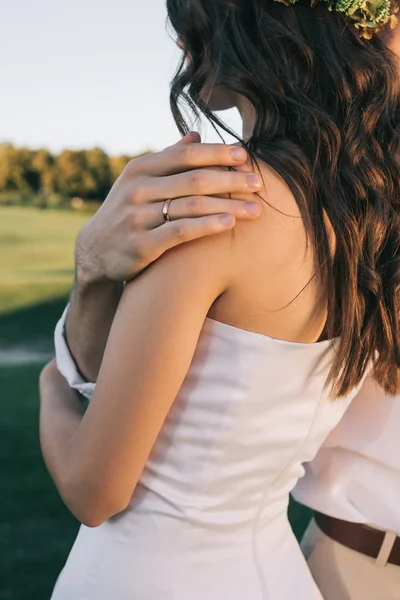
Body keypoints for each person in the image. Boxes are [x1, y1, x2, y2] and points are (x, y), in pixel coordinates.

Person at [39, 0, 400, 598]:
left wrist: (53, 384)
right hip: (273, 573)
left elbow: (94, 491)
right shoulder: (364, 223)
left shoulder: (213, 212)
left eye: (190, 20)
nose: (182, 45)